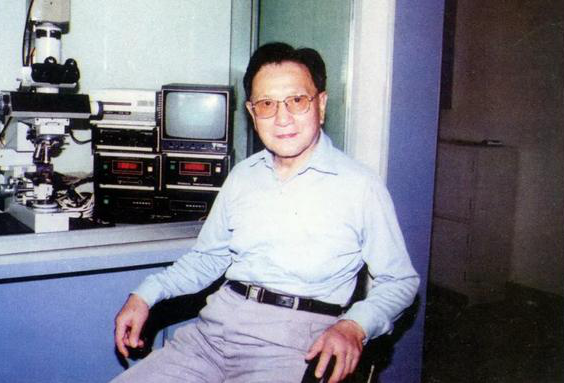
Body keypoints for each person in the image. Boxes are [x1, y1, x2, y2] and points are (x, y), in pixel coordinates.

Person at [112, 42, 419, 383]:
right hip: (212, 334)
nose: (282, 118)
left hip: (295, 347)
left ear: (321, 104)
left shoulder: (360, 186)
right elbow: (207, 258)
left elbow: (399, 281)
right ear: (252, 112)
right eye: (267, 104)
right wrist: (145, 294)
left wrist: (355, 326)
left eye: (297, 100)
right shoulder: (242, 176)